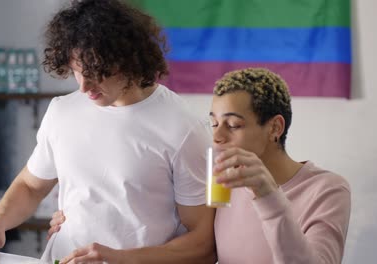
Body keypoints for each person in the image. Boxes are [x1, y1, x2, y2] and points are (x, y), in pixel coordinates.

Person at [0, 0, 216, 263]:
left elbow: (203, 244)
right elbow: (31, 185)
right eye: (77, 72)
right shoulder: (62, 111)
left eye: (96, 73)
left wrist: (120, 258)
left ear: (130, 60)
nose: (84, 87)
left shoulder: (184, 129)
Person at [50, 67, 352, 263]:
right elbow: (174, 231)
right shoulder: (222, 185)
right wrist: (77, 219)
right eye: (214, 123)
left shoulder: (326, 189)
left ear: (275, 128)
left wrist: (269, 195)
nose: (217, 137)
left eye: (233, 125)